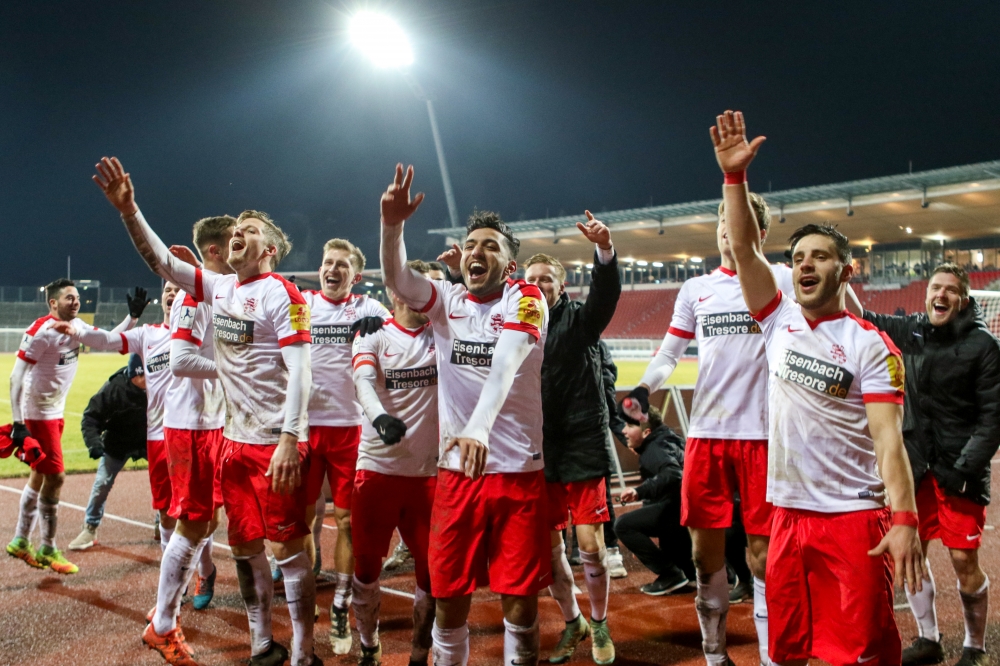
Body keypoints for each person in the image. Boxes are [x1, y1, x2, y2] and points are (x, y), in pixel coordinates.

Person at [713, 109, 922, 666]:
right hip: (786, 514)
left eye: (820, 257)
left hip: (853, 520)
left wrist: (904, 518)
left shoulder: (871, 345)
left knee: (861, 653)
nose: (805, 265)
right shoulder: (776, 318)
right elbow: (745, 249)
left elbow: (888, 441)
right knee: (786, 651)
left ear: (845, 272)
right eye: (798, 257)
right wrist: (734, 178)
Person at [92, 156, 319, 666]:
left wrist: (290, 438)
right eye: (237, 228)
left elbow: (302, 370)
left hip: (273, 444)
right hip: (231, 442)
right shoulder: (219, 288)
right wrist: (129, 211)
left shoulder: (283, 294)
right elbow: (162, 263)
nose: (240, 232)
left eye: (251, 230)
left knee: (288, 552)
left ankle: (304, 654)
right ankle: (262, 645)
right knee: (244, 547)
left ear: (271, 250)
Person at [621, 161, 794, 666]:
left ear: (759, 234)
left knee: (763, 558)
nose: (726, 230)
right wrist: (645, 386)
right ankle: (715, 656)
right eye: (722, 221)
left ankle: (770, 657)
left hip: (765, 437)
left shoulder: (782, 279)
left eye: (736, 223)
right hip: (707, 437)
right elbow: (670, 353)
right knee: (703, 555)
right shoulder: (696, 289)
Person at [379, 164, 550, 666]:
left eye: (490, 245)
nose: (477, 251)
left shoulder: (527, 298)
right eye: (471, 244)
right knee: (449, 597)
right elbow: (398, 279)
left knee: (519, 602)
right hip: (457, 475)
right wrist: (392, 225)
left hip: (516, 471)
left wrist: (478, 428)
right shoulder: (447, 300)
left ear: (510, 264)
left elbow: (507, 361)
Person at [852, 264, 1000, 666]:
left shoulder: (984, 346)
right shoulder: (912, 331)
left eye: (950, 290)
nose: (941, 294)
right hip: (916, 468)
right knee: (910, 553)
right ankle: (928, 638)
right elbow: (861, 315)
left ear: (964, 300)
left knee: (964, 561)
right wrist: (843, 275)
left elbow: (992, 419)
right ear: (927, 294)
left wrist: (962, 470)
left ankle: (975, 647)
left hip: (960, 474)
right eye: (936, 287)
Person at [522, 215, 621, 666]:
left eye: (547, 279)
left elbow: (605, 297)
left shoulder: (581, 321)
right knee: (548, 552)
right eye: (533, 279)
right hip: (536, 448)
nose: (539, 284)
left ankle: (599, 624)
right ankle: (573, 621)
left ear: (562, 287)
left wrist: (604, 253)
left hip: (581, 442)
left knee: (591, 547)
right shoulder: (514, 328)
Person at [6, 278, 140, 575]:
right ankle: (48, 547)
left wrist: (132, 318)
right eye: (69, 297)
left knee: (40, 476)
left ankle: (20, 540)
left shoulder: (77, 326)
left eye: (77, 297)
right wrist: (18, 424)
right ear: (53, 303)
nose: (76, 301)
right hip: (38, 414)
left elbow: (108, 340)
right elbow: (16, 377)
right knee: (56, 477)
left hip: (54, 412)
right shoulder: (41, 331)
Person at [300, 238, 390, 654]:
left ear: (356, 276)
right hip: (305, 428)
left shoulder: (370, 308)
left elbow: (405, 331)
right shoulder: (302, 304)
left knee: (349, 522)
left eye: (341, 265)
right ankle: (304, 597)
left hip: (351, 430)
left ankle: (339, 603)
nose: (332, 269)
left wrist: (383, 329)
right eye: (327, 262)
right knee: (302, 522)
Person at [349, 259, 440, 666]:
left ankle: (419, 653)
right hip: (378, 471)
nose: (428, 295)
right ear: (397, 292)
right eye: (418, 287)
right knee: (367, 570)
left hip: (428, 476)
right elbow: (363, 382)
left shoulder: (444, 334)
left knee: (432, 574)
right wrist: (379, 417)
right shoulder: (372, 335)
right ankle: (369, 645)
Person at [161, 214, 238, 618]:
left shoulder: (219, 292)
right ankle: (165, 617)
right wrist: (232, 370)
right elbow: (181, 361)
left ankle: (204, 573)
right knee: (192, 522)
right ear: (216, 251)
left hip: (214, 420)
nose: (242, 246)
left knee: (208, 519)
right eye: (235, 241)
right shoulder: (193, 300)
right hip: (191, 424)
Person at [69, 355, 149, 550]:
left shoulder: (158, 384)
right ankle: (90, 528)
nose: (147, 380)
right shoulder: (114, 389)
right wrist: (94, 444)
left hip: (149, 441)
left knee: (167, 481)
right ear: (132, 375)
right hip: (117, 442)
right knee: (102, 484)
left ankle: (164, 523)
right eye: (142, 376)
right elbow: (90, 418)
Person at [614, 405, 692, 594]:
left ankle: (670, 574)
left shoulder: (654, 449)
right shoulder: (669, 438)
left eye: (630, 426)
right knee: (661, 513)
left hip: (682, 512)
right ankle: (691, 572)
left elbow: (673, 475)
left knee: (624, 525)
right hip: (691, 511)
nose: (623, 431)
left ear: (646, 432)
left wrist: (639, 491)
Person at [598, 340, 627, 580]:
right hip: (553, 431)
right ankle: (564, 552)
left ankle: (610, 547)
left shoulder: (595, 344)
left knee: (600, 493)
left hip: (592, 430)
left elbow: (607, 383)